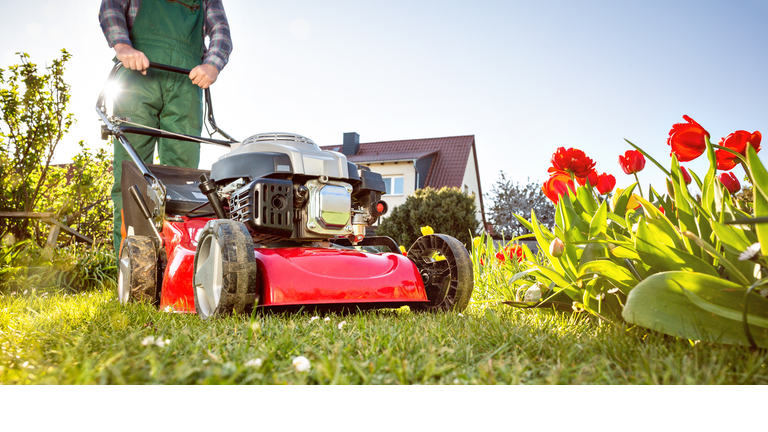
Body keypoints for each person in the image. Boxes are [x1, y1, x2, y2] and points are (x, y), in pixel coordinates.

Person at [98, 0, 233, 255]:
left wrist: (212, 64)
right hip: (136, 79)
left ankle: (176, 263)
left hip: (187, 83)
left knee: (185, 182)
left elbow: (221, 31)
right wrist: (123, 46)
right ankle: (130, 269)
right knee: (132, 178)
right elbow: (111, 7)